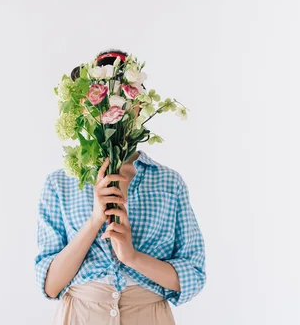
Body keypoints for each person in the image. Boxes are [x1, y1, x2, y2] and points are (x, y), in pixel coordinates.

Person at [35, 50, 206, 324]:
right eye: (102, 99)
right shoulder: (60, 183)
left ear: (139, 106)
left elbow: (193, 275)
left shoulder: (168, 183)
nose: (116, 110)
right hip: (79, 315)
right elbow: (50, 285)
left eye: (126, 98)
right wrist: (94, 222)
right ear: (86, 108)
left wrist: (132, 257)